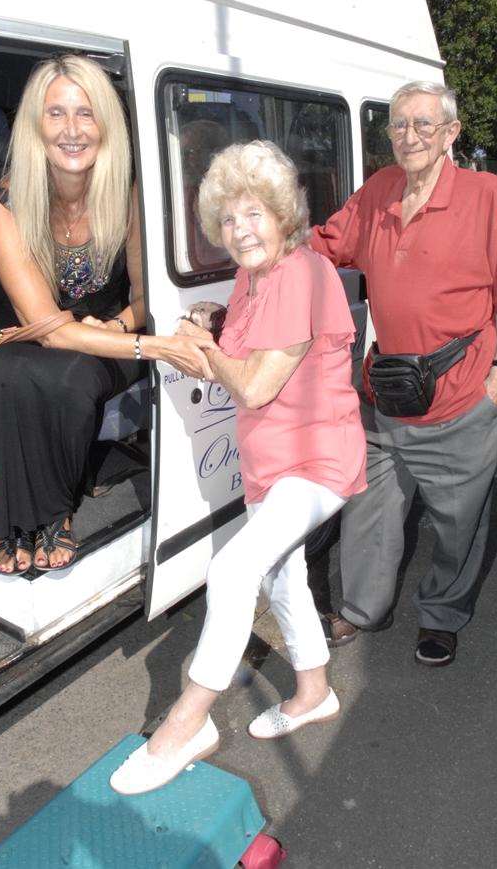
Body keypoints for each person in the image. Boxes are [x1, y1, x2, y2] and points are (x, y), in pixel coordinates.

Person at [110, 140, 366, 795]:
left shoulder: (303, 273)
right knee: (280, 575)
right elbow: (248, 342)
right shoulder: (255, 277)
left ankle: (188, 718)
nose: (239, 228)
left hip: (317, 459)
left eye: (252, 212)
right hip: (271, 460)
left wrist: (204, 346)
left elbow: (252, 386)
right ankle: (313, 692)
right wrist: (212, 319)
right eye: (227, 218)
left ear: (282, 215)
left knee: (234, 565)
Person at [311, 80, 497, 667]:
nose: (409, 137)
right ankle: (361, 609)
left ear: (451, 133)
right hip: (384, 393)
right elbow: (324, 245)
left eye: (424, 125)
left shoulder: (484, 195)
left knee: (458, 526)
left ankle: (442, 614)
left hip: (459, 395)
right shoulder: (379, 189)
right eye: (399, 125)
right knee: (370, 513)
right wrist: (258, 244)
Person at [0, 54, 210, 576]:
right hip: (33, 334)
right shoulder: (4, 203)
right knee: (11, 369)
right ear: (34, 125)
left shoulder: (128, 194)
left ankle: (47, 511)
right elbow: (48, 326)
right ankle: (28, 517)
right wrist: (154, 346)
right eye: (56, 113)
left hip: (112, 331)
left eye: (86, 113)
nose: (72, 130)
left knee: (71, 378)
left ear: (105, 123)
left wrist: (127, 324)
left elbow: (148, 294)